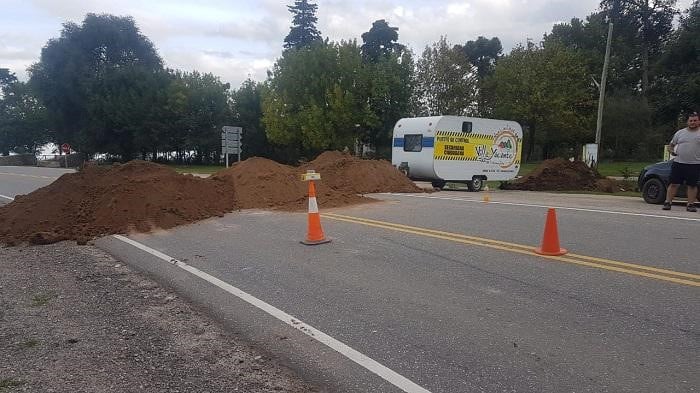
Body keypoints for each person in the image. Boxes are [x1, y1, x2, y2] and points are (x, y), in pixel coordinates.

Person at [663, 112, 700, 211]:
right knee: (673, 183)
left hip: (694, 164)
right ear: (688, 122)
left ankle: (690, 205)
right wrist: (671, 151)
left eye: (695, 120)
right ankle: (667, 203)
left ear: (698, 121)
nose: (692, 122)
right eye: (690, 121)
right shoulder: (680, 133)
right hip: (679, 163)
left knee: (692, 185)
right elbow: (671, 145)